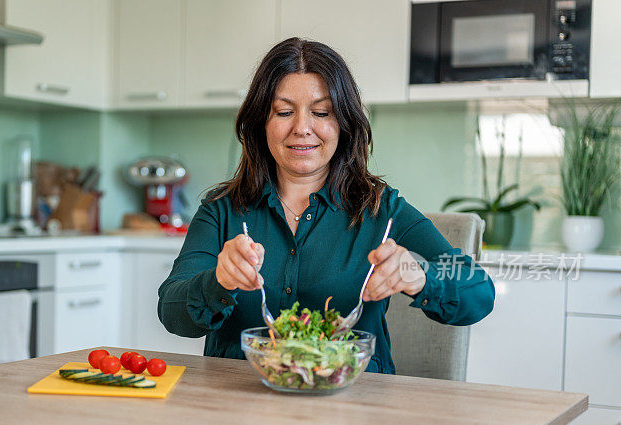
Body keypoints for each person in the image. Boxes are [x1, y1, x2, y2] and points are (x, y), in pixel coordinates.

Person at [157, 37, 495, 373]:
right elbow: (172, 314)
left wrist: (419, 277)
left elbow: (479, 293)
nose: (302, 128)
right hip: (237, 404)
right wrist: (219, 280)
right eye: (284, 112)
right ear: (261, 123)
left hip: (355, 407)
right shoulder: (221, 210)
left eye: (321, 112)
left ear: (344, 123)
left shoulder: (383, 209)